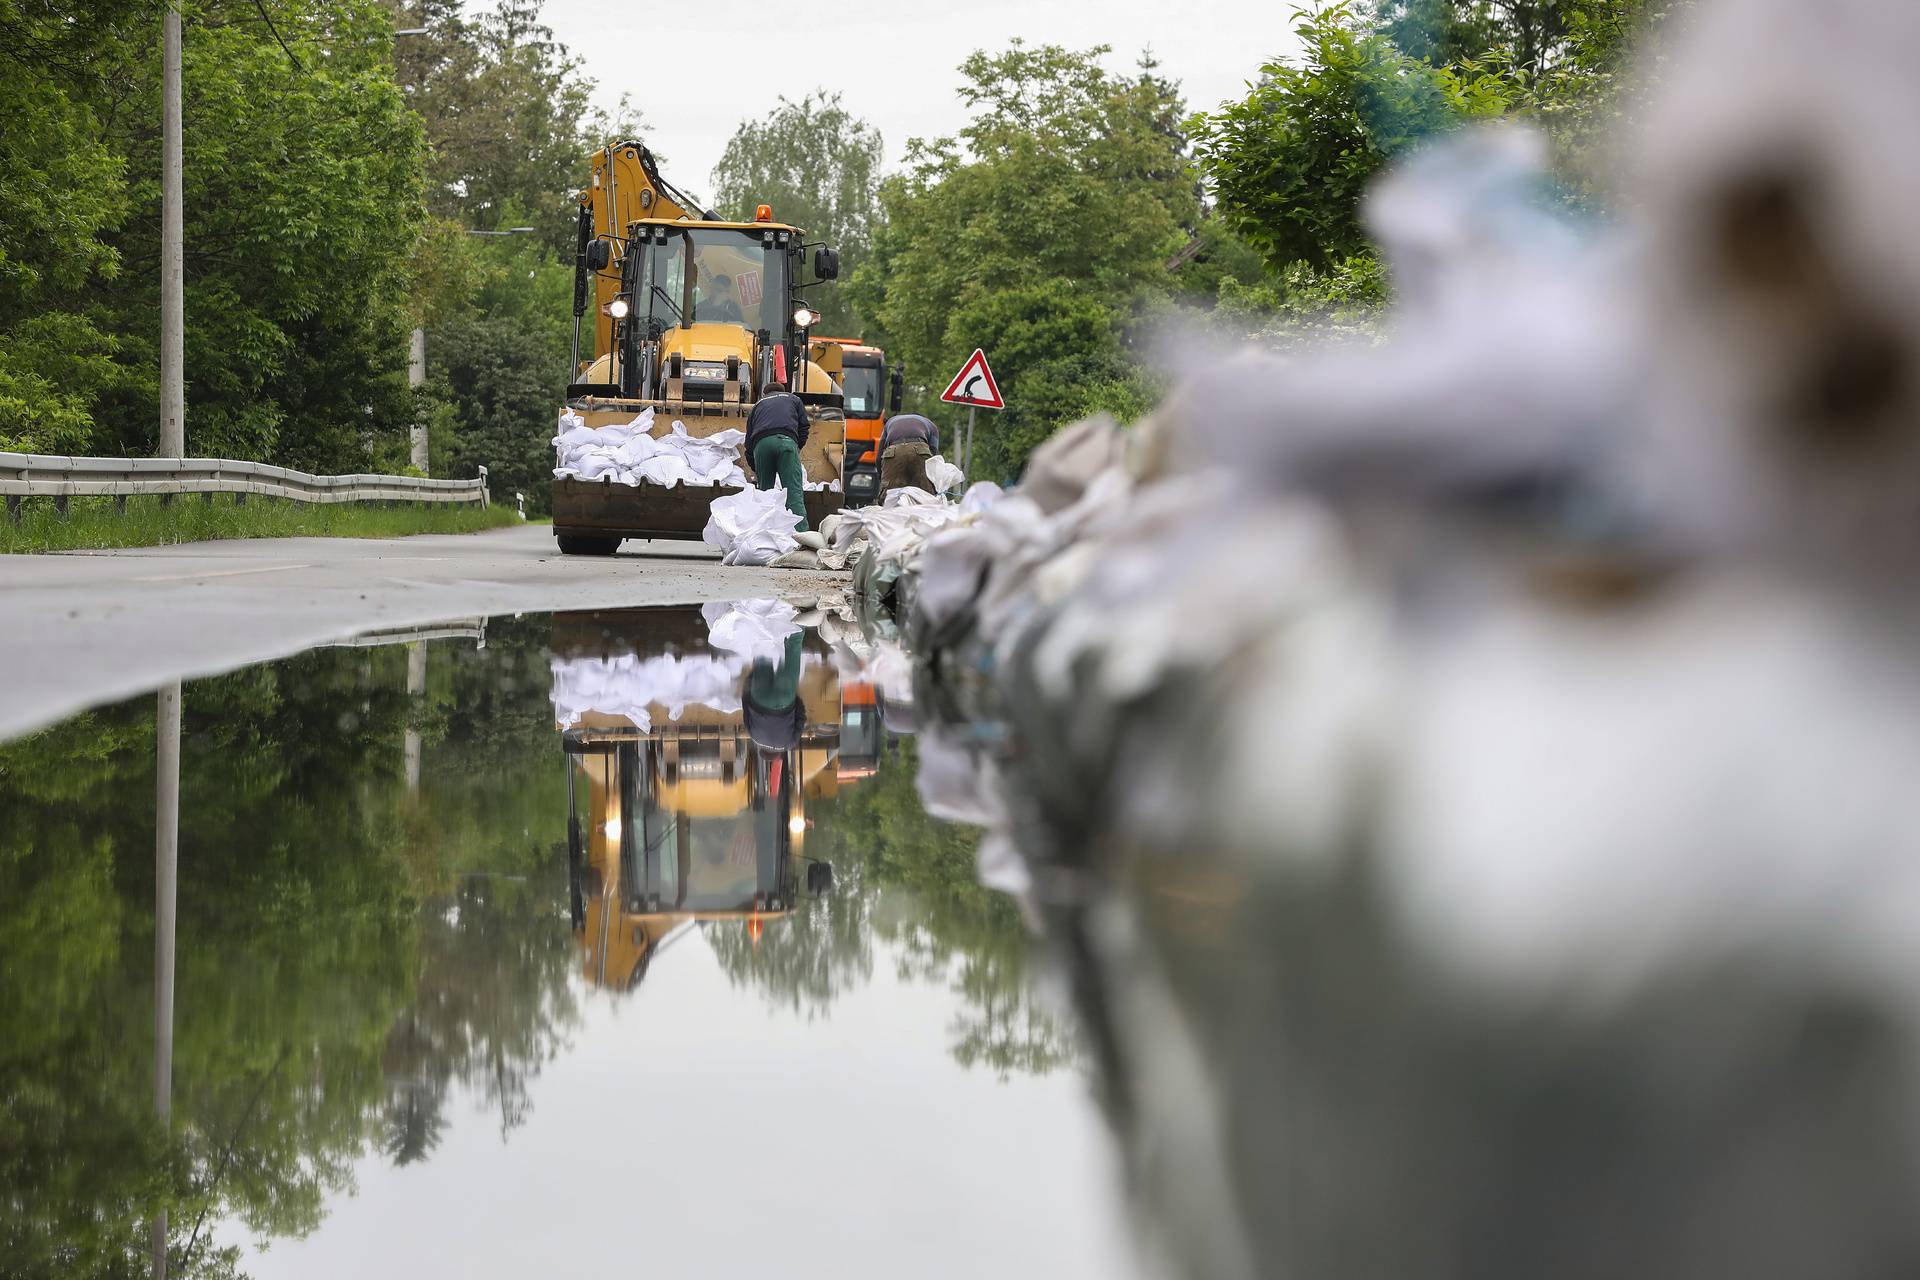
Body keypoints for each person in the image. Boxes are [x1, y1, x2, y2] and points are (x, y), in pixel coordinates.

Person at [745, 378, 810, 531]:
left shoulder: (757, 405)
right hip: (786, 441)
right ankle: (802, 536)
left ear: (764, 394)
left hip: (761, 446)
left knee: (764, 494)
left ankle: (762, 533)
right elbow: (804, 427)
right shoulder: (794, 399)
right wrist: (795, 447)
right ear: (783, 391)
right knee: (793, 493)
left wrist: (755, 466)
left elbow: (748, 442)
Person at [878, 412, 941, 497]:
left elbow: (879, 456)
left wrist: (882, 477)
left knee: (889, 497)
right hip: (920, 449)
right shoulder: (931, 425)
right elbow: (934, 458)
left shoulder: (890, 421)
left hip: (893, 450)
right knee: (925, 496)